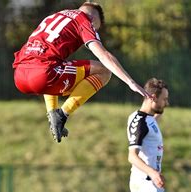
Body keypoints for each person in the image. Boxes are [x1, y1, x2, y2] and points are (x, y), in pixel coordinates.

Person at [13, 2, 150, 143]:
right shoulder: (84, 20)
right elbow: (103, 56)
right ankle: (63, 113)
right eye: (96, 29)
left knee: (55, 66)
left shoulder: (54, 16)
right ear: (94, 20)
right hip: (43, 75)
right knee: (104, 71)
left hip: (19, 76)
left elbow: (42, 58)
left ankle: (53, 113)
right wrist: (130, 82)